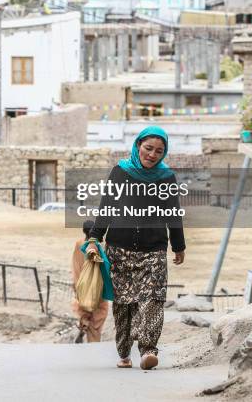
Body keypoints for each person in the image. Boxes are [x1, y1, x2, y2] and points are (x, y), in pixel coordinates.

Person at [87, 126, 185, 370]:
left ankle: (149, 350)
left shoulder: (166, 178)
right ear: (138, 145)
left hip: (154, 249)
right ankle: (123, 351)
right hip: (119, 250)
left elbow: (173, 214)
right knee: (124, 305)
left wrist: (178, 245)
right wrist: (94, 237)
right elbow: (107, 204)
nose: (152, 154)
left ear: (164, 153)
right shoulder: (120, 172)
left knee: (153, 299)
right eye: (148, 148)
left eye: (159, 151)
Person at [71, 219, 109, 343]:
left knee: (85, 310)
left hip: (82, 285)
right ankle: (93, 340)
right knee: (98, 314)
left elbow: (75, 265)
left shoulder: (78, 243)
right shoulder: (96, 246)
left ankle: (84, 325)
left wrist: (76, 284)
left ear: (83, 231)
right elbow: (97, 260)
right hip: (97, 286)